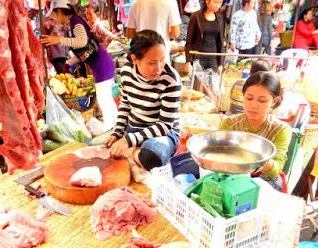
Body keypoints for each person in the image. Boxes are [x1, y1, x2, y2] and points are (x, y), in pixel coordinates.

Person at [105, 30, 182, 173]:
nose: (159, 67)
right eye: (152, 63)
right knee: (106, 147)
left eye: (162, 59)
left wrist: (128, 141)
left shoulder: (171, 80)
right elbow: (125, 105)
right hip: (134, 128)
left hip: (162, 133)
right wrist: (117, 133)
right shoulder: (127, 71)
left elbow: (165, 125)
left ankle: (133, 152)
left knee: (152, 156)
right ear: (135, 59)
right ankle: (135, 152)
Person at [41, 0, 117, 136]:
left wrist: (58, 40)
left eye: (56, 15)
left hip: (102, 65)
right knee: (105, 98)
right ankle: (113, 126)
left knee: (104, 99)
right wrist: (69, 63)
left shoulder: (75, 21)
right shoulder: (72, 23)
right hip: (100, 64)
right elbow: (85, 50)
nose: (56, 19)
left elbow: (82, 41)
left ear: (60, 11)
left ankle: (112, 128)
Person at [219, 71, 291, 191]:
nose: (254, 105)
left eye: (262, 101)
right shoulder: (229, 124)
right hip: (230, 175)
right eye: (249, 98)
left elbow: (276, 169)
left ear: (274, 101)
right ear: (243, 96)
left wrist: (258, 159)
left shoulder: (281, 130)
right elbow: (218, 155)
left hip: (263, 180)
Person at [184, 0, 224, 73]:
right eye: (215, 2)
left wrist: (220, 63)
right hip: (198, 57)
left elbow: (220, 42)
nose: (218, 5)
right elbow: (189, 41)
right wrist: (188, 61)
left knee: (211, 83)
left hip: (213, 58)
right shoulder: (196, 16)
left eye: (220, 2)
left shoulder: (220, 17)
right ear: (207, 1)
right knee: (198, 83)